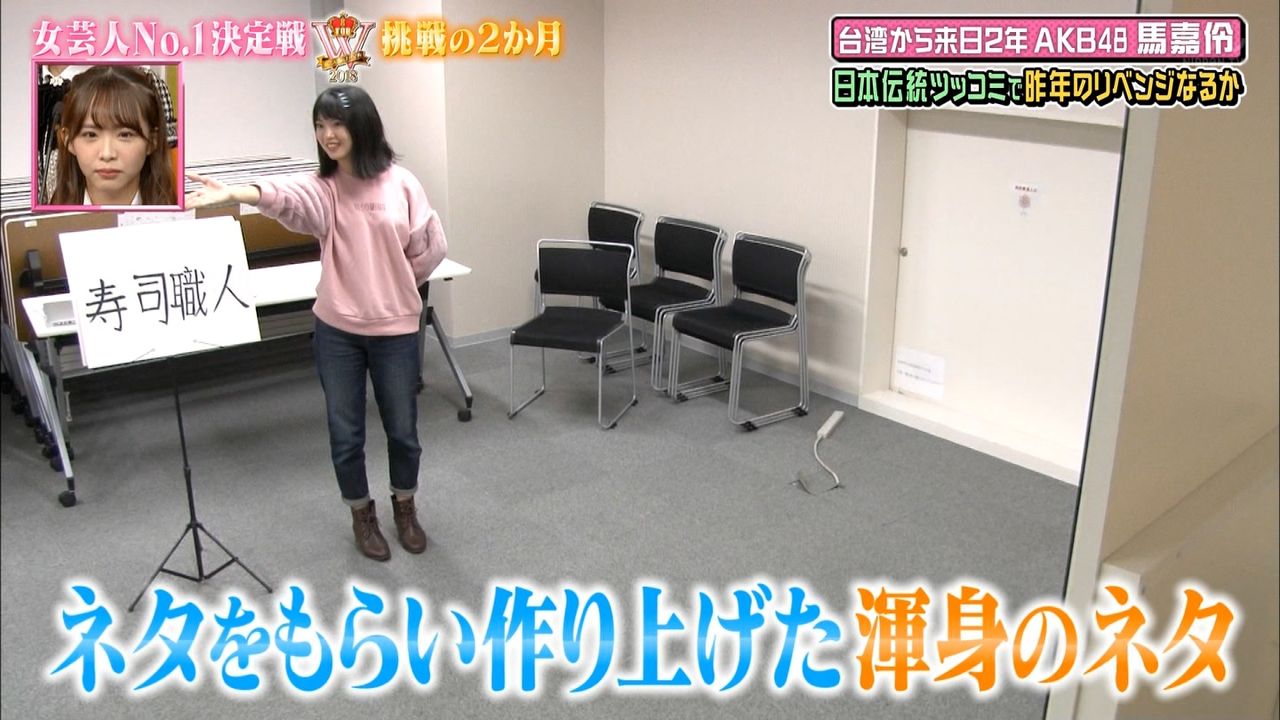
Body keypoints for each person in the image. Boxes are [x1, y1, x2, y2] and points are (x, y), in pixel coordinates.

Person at [185, 85, 447, 561]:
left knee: (403, 431)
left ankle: (405, 507)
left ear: (363, 125)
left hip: (394, 332)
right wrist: (238, 193)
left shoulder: (403, 183)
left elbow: (430, 247)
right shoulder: (324, 188)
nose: (328, 134)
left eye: (337, 123)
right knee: (346, 435)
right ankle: (362, 514)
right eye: (320, 125)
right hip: (338, 332)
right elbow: (283, 196)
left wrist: (391, 286)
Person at [50, 65, 177, 206]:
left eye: (125, 135)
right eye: (91, 135)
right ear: (68, 140)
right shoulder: (50, 216)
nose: (107, 154)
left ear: (152, 140)